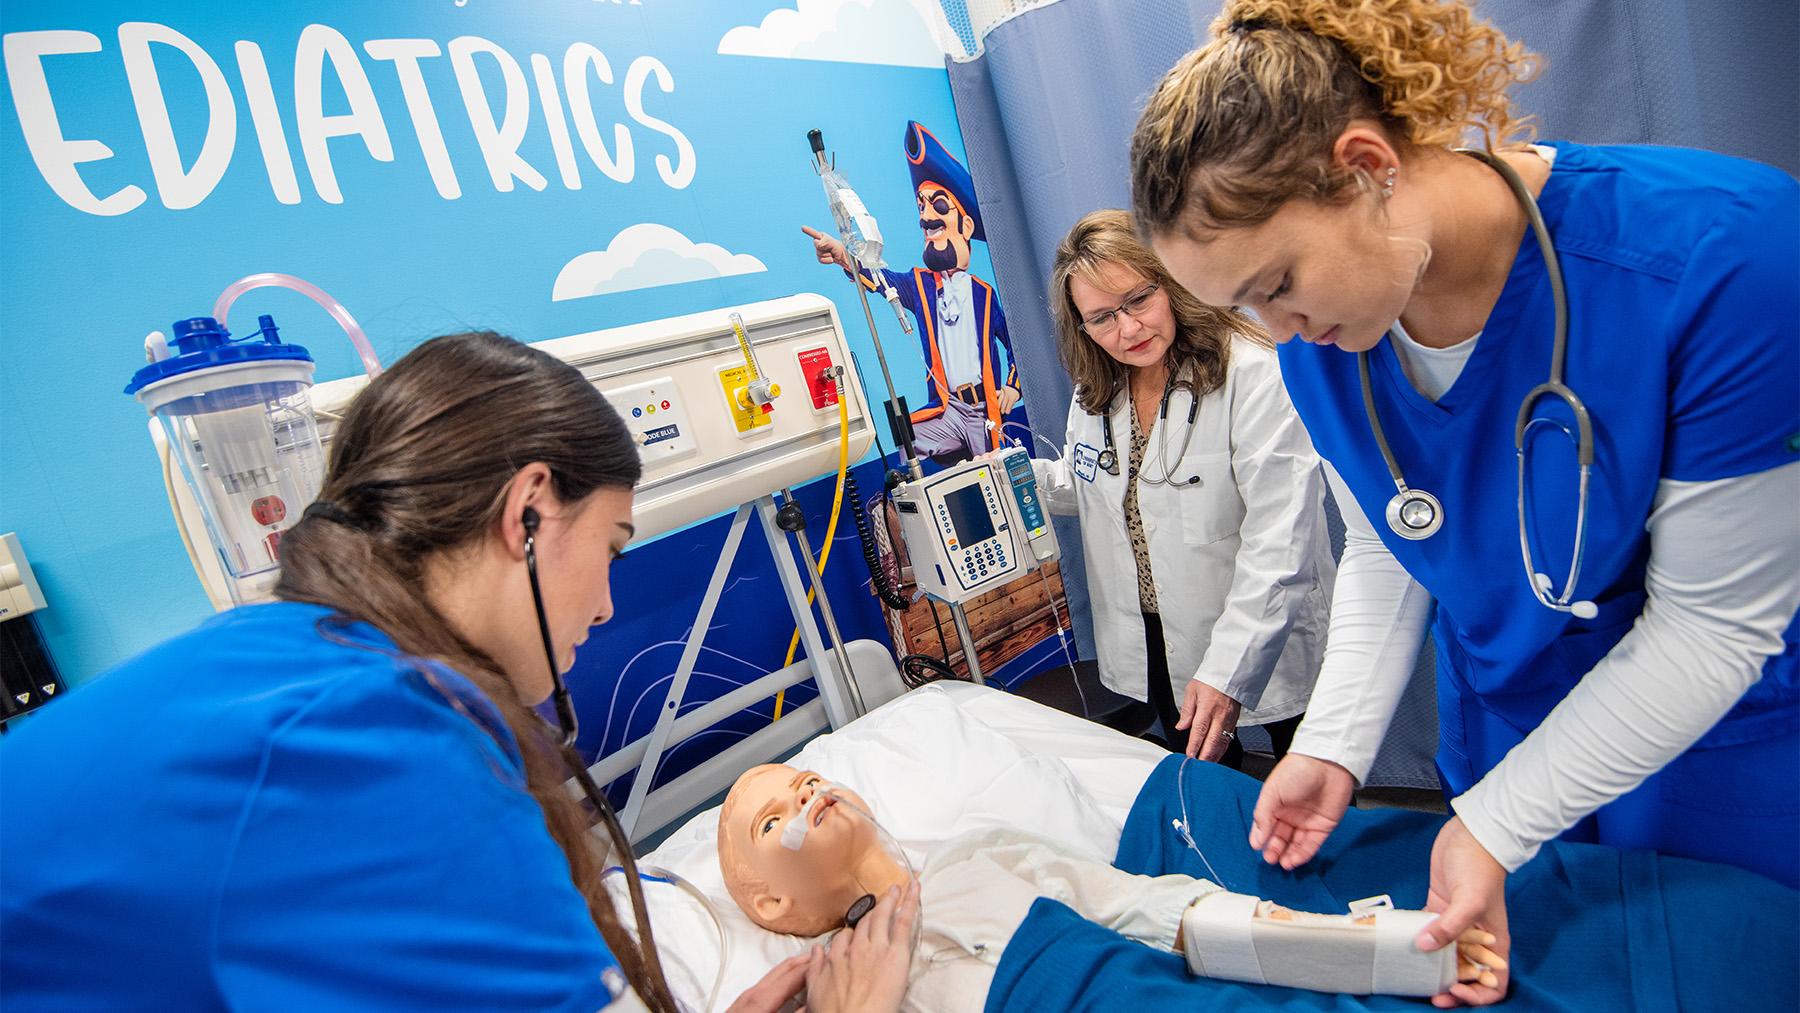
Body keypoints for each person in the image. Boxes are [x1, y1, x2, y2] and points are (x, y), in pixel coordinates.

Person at [1128, 0, 1800, 1005]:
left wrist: (1497, 819)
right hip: (1503, 737)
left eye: (1278, 282)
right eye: (1241, 310)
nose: (1276, 333)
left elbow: (1713, 624)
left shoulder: (1726, 259)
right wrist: (1335, 742)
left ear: (1367, 166)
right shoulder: (1327, 344)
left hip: (1714, 754)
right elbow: (1396, 539)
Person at [0, 332, 913, 1012]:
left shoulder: (271, 663)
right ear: (527, 512)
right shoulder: (389, 756)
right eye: (613, 548)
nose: (603, 604)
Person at [716, 763, 1504, 1012]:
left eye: (803, 777)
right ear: (769, 906)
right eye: (770, 819)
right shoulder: (830, 992)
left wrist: (1378, 951)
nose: (805, 793)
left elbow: (1145, 909)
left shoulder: (973, 853)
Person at [1032, 209, 1334, 764]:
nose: (1125, 330)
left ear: (1170, 282)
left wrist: (1228, 668)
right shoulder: (1096, 392)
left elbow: (1281, 540)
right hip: (1161, 631)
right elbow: (1092, 491)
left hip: (1265, 621)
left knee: (1310, 788)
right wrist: (1019, 481)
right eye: (1099, 318)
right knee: (1206, 790)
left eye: (1137, 301)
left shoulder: (1252, 373)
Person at [802, 121, 1024, 466]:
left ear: (965, 226)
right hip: (948, 409)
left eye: (937, 206)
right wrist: (844, 256)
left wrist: (1012, 386)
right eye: (922, 206)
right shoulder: (919, 285)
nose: (926, 217)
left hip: (985, 411)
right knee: (911, 448)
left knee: (998, 475)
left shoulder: (984, 294)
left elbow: (1017, 346)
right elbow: (880, 280)